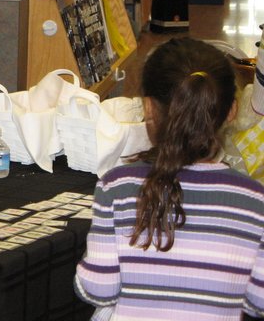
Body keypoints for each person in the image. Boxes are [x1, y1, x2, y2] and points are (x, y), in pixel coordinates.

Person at [74, 37, 264, 320]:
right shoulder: (254, 199)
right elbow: (258, 301)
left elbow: (98, 289)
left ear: (148, 108)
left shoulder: (117, 186)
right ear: (231, 112)